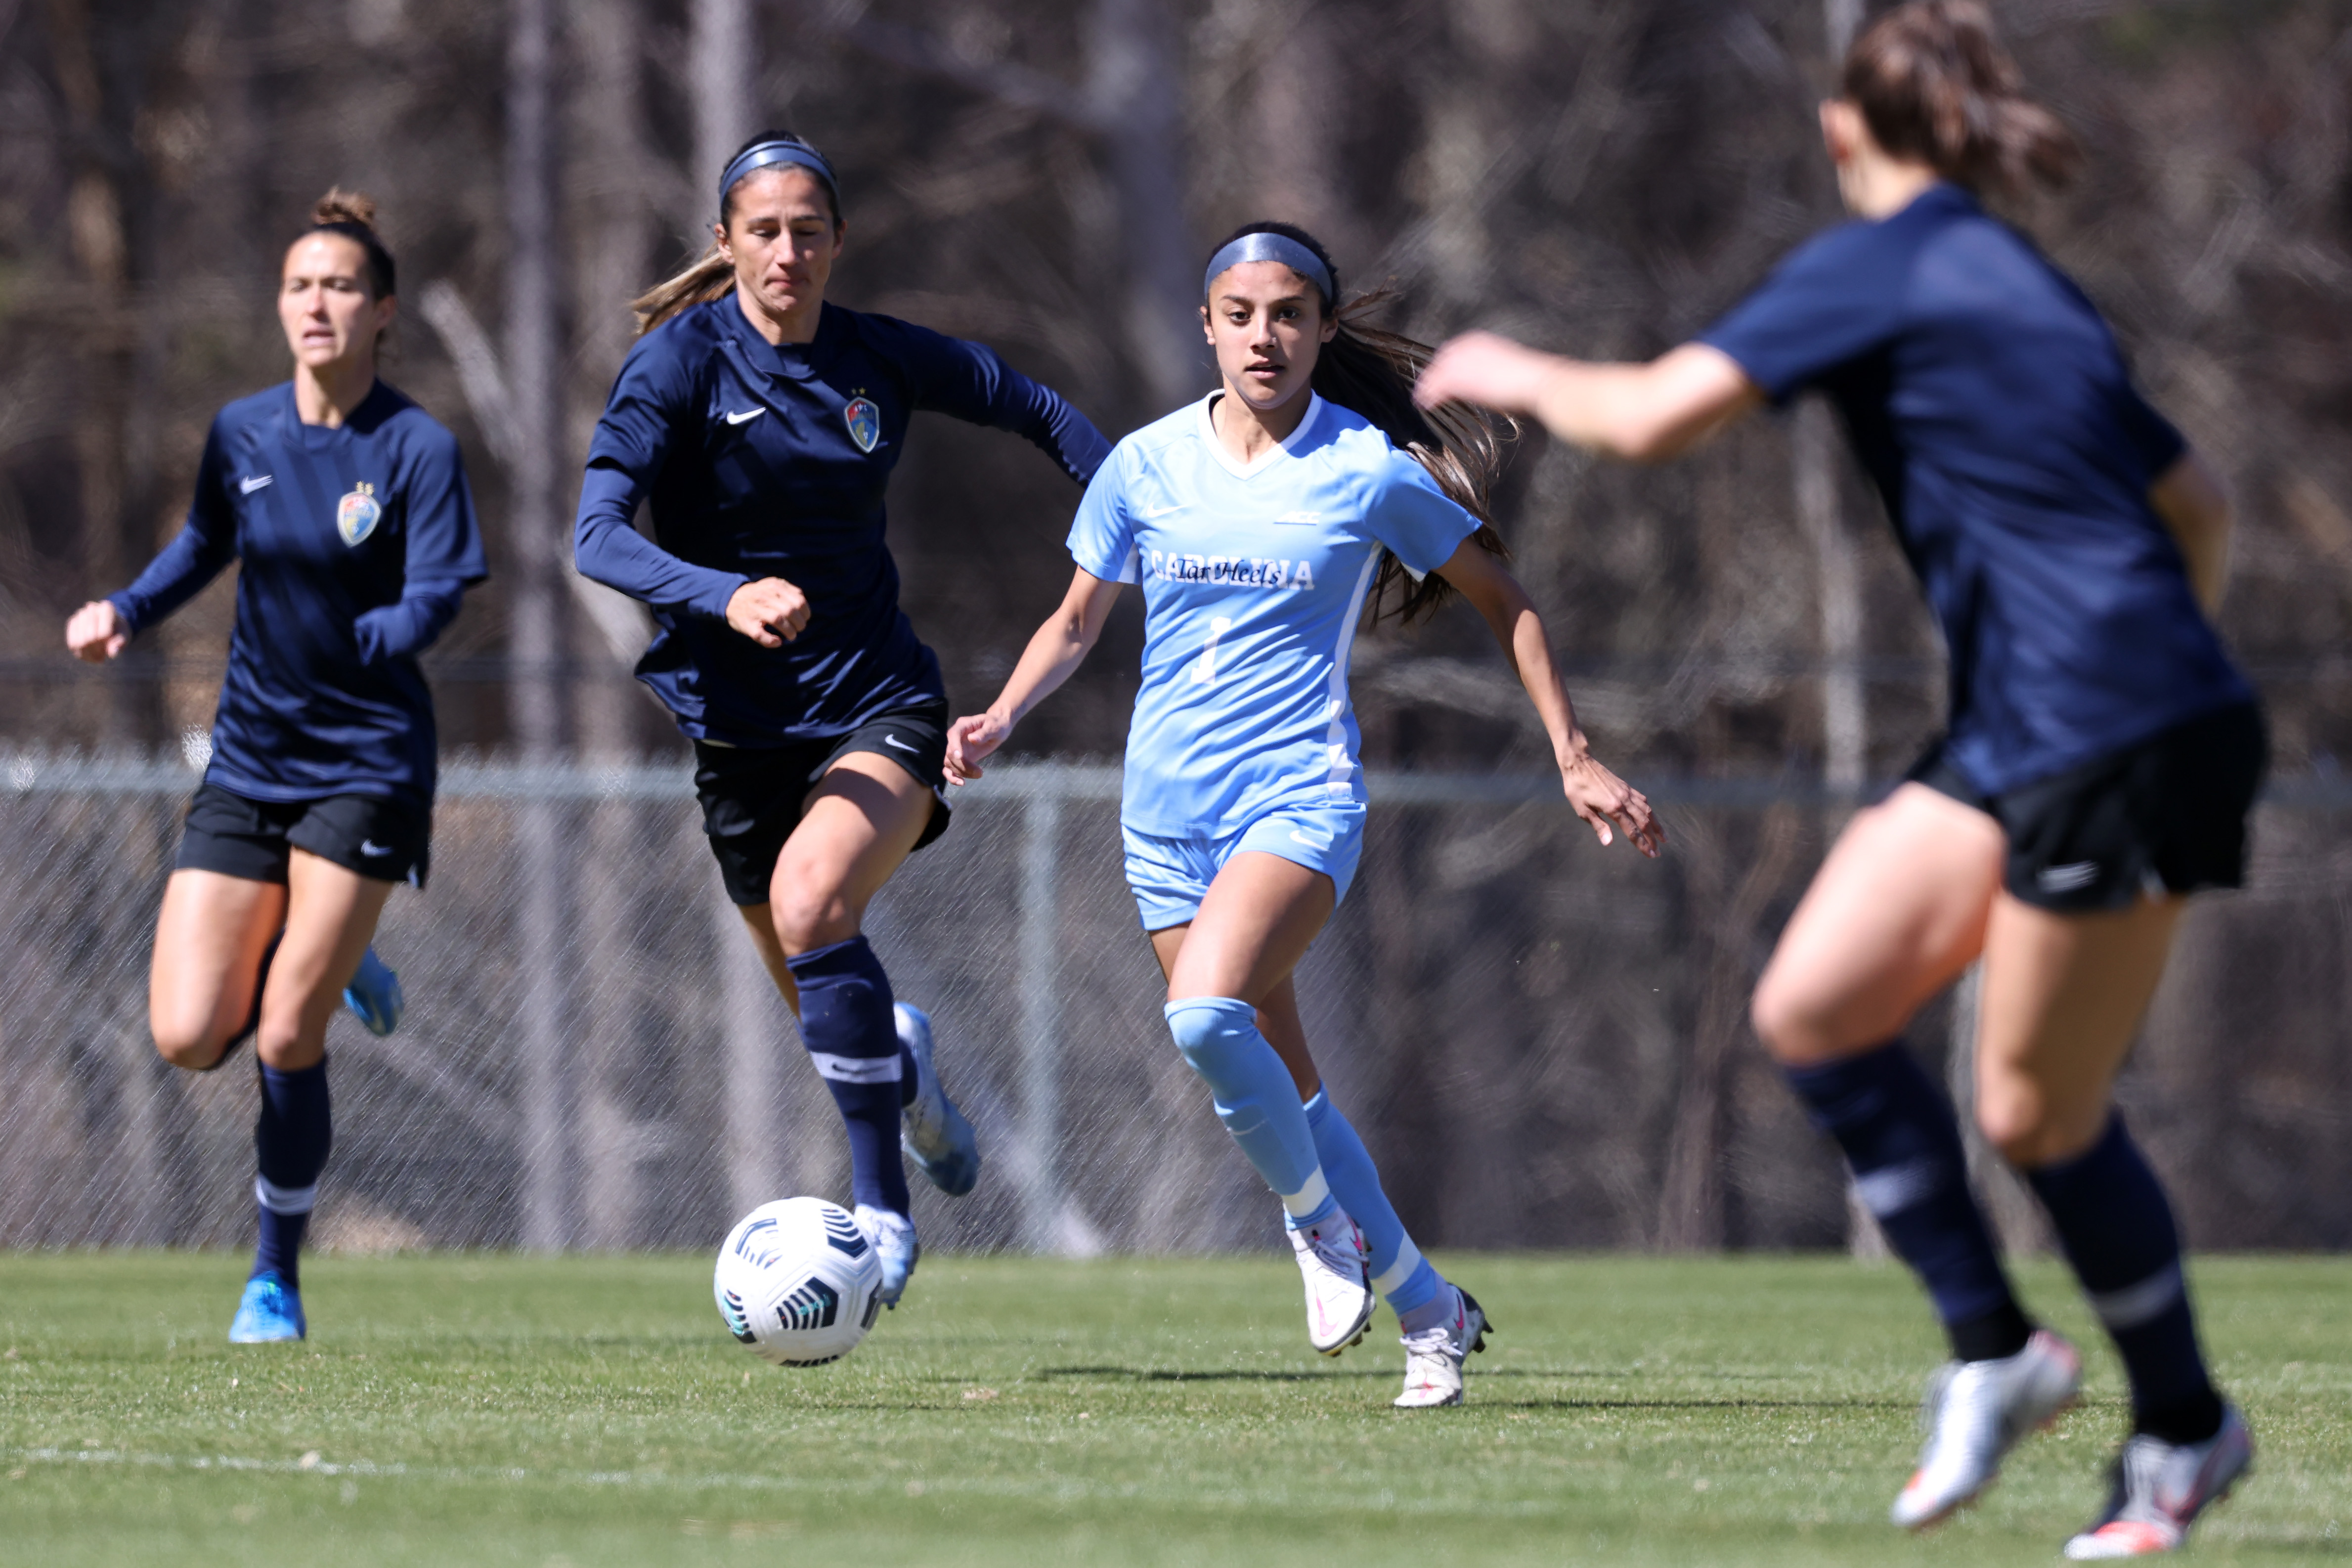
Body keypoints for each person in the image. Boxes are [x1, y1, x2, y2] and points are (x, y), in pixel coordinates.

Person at [1417, 1, 2258, 1553]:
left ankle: (2182, 1435)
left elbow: (1658, 415)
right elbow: (2193, 501)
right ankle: (1999, 1351)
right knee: (1812, 1009)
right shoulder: (2021, 279)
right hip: (2045, 718)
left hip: (2106, 728)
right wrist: (2127, 650)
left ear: (1837, 130)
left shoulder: (1878, 264)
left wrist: (1505, 365)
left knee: (2031, 1109)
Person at [946, 221, 1660, 1407]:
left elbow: (1506, 596)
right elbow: (1076, 621)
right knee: (1285, 1078)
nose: (1265, 335)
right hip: (1161, 817)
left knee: (1204, 1015)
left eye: (1289, 313)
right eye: (1242, 313)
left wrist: (1574, 755)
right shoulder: (1146, 464)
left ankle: (1315, 1223)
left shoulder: (1368, 467)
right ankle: (1431, 1308)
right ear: (1209, 327)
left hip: (1296, 797)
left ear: (1324, 330)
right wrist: (1002, 715)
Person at [573, 132, 1111, 1306]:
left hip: (882, 700)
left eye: (808, 230)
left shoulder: (876, 356)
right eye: (763, 231)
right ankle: (908, 1076)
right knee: (823, 993)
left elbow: (1030, 406)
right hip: (738, 731)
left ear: (837, 241)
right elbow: (597, 533)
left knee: (817, 901)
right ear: (726, 242)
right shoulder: (677, 367)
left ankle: (880, 1213)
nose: (787, 251)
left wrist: (1139, 502)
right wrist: (724, 592)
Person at [63, 190, 486, 1344]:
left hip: (367, 760)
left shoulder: (413, 445)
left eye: (342, 285)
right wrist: (126, 608)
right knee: (191, 1033)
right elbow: (206, 539)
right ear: (281, 304)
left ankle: (273, 1279)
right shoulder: (244, 431)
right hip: (252, 755)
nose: (318, 302)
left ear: (382, 310)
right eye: (301, 283)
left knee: (288, 1032)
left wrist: (391, 632)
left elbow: (446, 580)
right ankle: (334, 946)